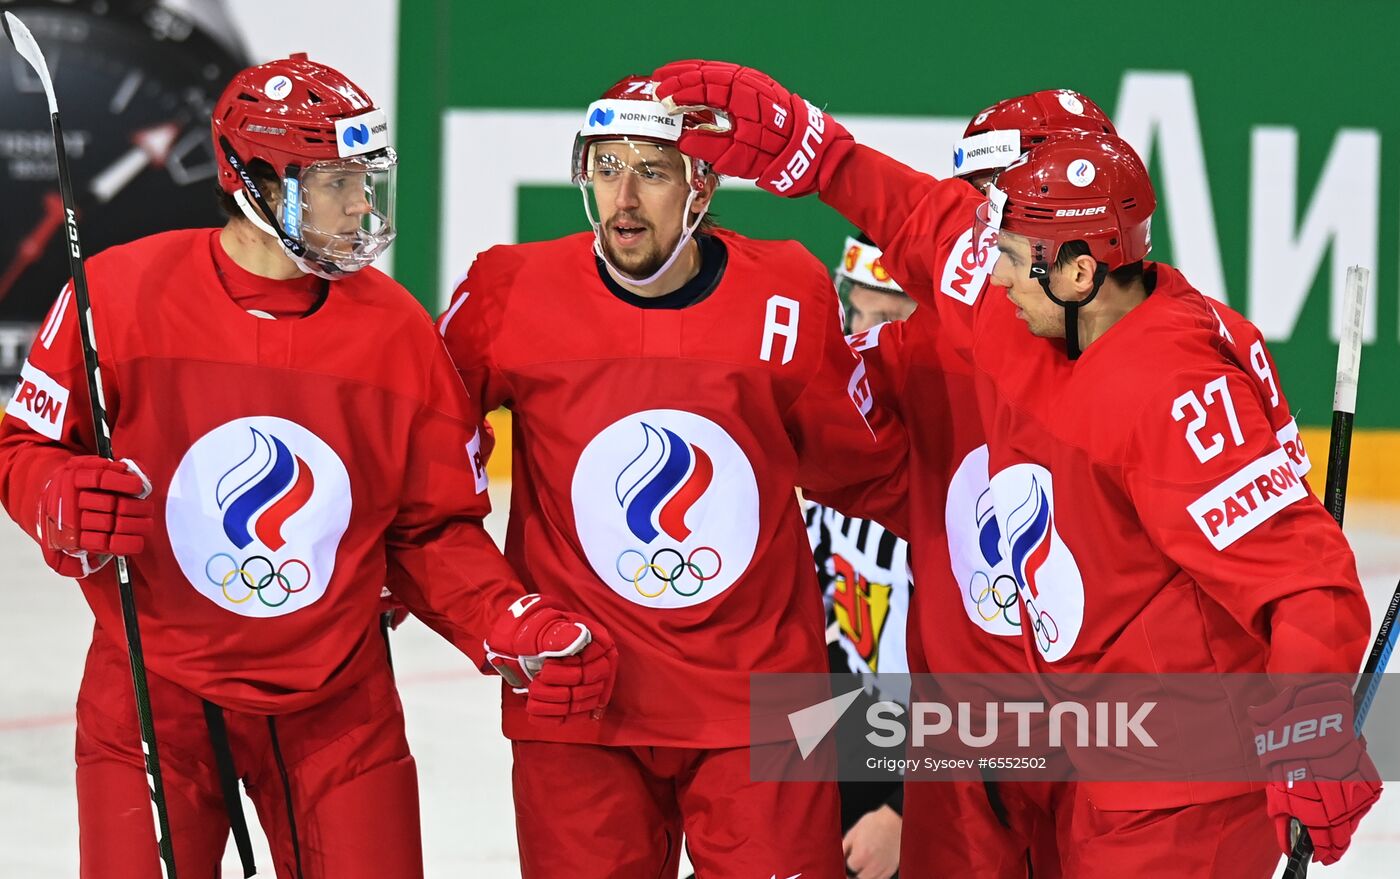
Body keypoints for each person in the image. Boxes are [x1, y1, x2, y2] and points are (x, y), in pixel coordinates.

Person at [653, 60, 1381, 875]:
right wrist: (817, 154)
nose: (986, 268)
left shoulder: (1178, 390)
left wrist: (1311, 730)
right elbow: (930, 225)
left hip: (1176, 777)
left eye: (1003, 241)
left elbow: (1305, 581)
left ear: (1076, 267)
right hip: (1059, 738)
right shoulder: (1032, 306)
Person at [0, 54, 614, 879]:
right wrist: (60, 496)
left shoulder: (398, 332)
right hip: (152, 693)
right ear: (252, 180)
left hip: (339, 708)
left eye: (364, 178)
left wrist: (507, 620)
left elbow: (430, 528)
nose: (361, 203)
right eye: (334, 180)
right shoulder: (114, 293)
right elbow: (24, 449)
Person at [436, 74, 907, 878]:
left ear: (702, 184)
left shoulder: (785, 292)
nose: (623, 197)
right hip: (577, 694)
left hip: (761, 704)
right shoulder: (507, 290)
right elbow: (422, 465)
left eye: (652, 170)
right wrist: (482, 606)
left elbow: (864, 467)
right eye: (606, 165)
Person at [806, 234, 911, 879]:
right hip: (862, 727)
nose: (860, 343)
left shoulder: (969, 479)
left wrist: (903, 812)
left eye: (888, 323)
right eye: (854, 317)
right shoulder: (828, 461)